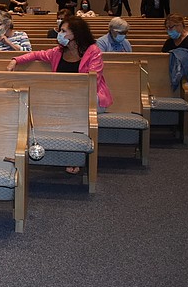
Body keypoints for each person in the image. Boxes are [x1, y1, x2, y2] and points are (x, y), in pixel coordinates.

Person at [7, 16, 112, 172]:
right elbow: (36, 55)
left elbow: (93, 80)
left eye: (63, 31)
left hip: (89, 98)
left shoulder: (93, 52)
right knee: (39, 106)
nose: (59, 34)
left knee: (68, 110)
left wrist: (67, 97)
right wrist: (15, 60)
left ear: (75, 34)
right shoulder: (57, 52)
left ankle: (75, 156)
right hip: (63, 100)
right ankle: (28, 150)